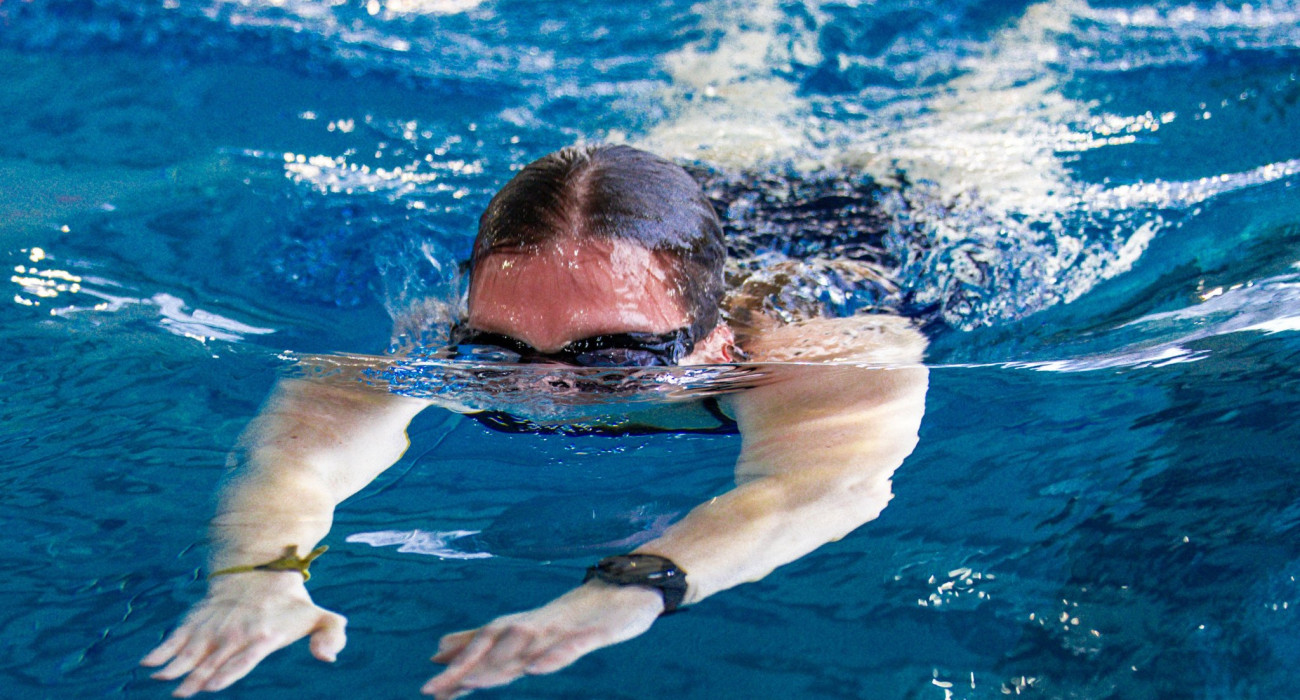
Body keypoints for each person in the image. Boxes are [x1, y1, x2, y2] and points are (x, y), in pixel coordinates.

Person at [140, 144, 929, 698]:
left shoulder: (821, 351)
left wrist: (625, 591)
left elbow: (822, 485)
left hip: (899, 205)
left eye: (613, 356)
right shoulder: (440, 336)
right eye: (500, 349)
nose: (549, 390)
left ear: (714, 341)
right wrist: (258, 577)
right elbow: (298, 457)